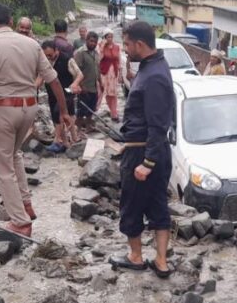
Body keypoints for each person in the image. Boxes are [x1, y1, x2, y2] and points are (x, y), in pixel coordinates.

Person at [0, 3, 71, 237]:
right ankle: (26, 204)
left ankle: (20, 221)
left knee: (2, 166)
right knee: (14, 154)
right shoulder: (33, 44)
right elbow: (53, 79)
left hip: (5, 109)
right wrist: (64, 111)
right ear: (11, 22)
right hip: (29, 108)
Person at [109, 21, 174, 279]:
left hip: (144, 152)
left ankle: (138, 257)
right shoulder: (151, 67)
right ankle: (160, 261)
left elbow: (159, 124)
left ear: (139, 44)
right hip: (148, 149)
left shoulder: (155, 75)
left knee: (134, 205)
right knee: (157, 204)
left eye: (126, 44)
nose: (125, 49)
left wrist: (146, 163)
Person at [41, 40, 83, 153]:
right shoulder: (45, 61)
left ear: (56, 50)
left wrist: (75, 84)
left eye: (50, 55)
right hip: (51, 93)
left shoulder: (67, 60)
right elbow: (41, 77)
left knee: (59, 113)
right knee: (66, 115)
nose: (49, 57)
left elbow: (79, 74)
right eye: (46, 56)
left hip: (66, 92)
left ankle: (59, 141)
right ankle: (72, 140)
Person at [72, 31, 100, 130]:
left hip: (93, 87)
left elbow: (97, 69)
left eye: (95, 42)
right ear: (86, 40)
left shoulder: (96, 53)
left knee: (91, 109)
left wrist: (101, 82)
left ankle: (88, 126)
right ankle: (77, 130)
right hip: (83, 88)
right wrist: (81, 86)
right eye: (91, 41)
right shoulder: (80, 53)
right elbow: (75, 71)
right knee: (81, 111)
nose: (93, 43)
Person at [98, 29, 121, 122]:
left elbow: (118, 60)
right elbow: (99, 59)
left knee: (114, 93)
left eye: (111, 37)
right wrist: (102, 47)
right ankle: (112, 111)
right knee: (107, 93)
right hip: (105, 73)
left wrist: (120, 74)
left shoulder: (116, 47)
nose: (110, 39)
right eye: (108, 37)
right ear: (105, 38)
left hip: (114, 73)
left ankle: (114, 112)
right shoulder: (101, 47)